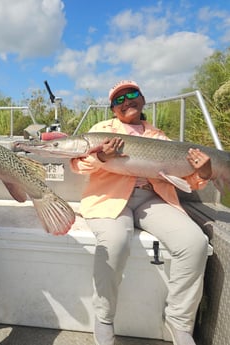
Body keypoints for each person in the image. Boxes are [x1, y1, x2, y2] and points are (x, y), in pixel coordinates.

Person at [69, 80, 211, 345]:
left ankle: (179, 321)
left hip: (153, 199)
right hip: (108, 199)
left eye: (132, 95)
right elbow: (78, 166)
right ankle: (104, 318)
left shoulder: (159, 137)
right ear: (112, 109)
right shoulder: (101, 131)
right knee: (114, 242)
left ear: (143, 99)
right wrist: (101, 158)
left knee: (194, 243)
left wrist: (203, 174)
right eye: (118, 100)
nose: (127, 102)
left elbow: (187, 182)